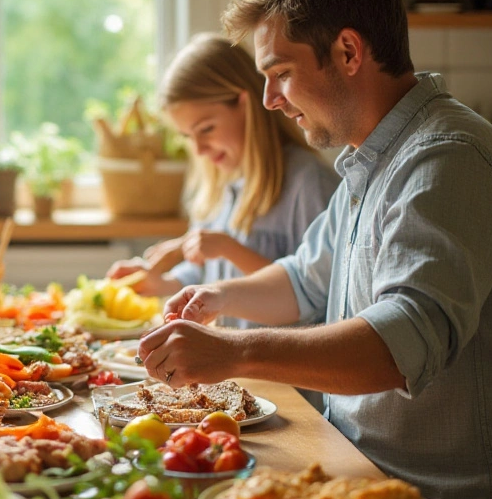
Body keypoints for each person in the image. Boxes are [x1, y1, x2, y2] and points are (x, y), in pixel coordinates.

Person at [139, 0, 492, 499]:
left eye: (278, 72)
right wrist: (215, 297)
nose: (270, 100)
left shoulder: (446, 160)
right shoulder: (373, 159)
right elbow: (305, 281)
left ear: (347, 52)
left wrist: (233, 350)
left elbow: (400, 344)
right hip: (383, 479)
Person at [106, 34, 339, 329]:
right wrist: (163, 282)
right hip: (229, 365)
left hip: (277, 369)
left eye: (206, 129)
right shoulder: (216, 187)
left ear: (246, 104)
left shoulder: (307, 183)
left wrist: (228, 248)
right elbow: (204, 274)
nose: (199, 150)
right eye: (188, 137)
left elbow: (313, 292)